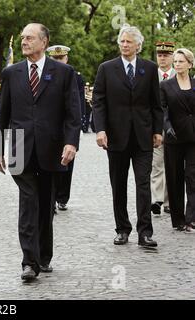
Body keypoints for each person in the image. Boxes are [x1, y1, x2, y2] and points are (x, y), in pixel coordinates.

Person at [0, 23, 81, 280]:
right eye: (22, 38)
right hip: (21, 150)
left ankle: (44, 256)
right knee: (28, 201)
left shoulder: (64, 73)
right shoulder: (11, 73)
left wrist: (71, 143)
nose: (24, 42)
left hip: (52, 148)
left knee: (45, 202)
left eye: (29, 38)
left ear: (44, 42)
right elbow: (3, 115)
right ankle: (29, 262)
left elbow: (73, 114)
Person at [92, 25, 163, 247]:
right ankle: (122, 229)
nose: (124, 45)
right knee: (118, 184)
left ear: (138, 46)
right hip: (116, 136)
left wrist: (158, 130)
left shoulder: (150, 69)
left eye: (129, 42)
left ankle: (145, 232)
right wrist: (100, 129)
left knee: (143, 184)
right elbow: (98, 102)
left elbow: (156, 104)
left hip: (143, 137)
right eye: (122, 41)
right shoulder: (107, 68)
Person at [46, 45, 84, 212]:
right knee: (49, 163)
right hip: (49, 126)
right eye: (55, 59)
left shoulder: (75, 77)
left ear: (66, 59)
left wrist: (78, 126)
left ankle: (63, 197)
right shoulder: (44, 76)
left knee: (67, 163)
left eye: (61, 58)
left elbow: (79, 103)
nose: (58, 62)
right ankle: (51, 198)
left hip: (68, 126)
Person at [161, 48, 195, 233]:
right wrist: (167, 127)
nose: (177, 64)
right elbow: (162, 110)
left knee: (192, 177)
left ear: (190, 64)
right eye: (175, 61)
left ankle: (191, 218)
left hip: (193, 138)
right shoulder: (166, 85)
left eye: (181, 61)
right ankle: (178, 220)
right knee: (174, 179)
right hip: (174, 137)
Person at [151, 41, 177, 215]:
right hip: (156, 127)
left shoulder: (180, 74)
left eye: (166, 55)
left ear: (172, 57)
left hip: (175, 128)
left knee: (172, 164)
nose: (162, 58)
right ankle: (157, 200)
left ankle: (169, 201)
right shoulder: (150, 75)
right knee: (157, 164)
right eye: (159, 55)